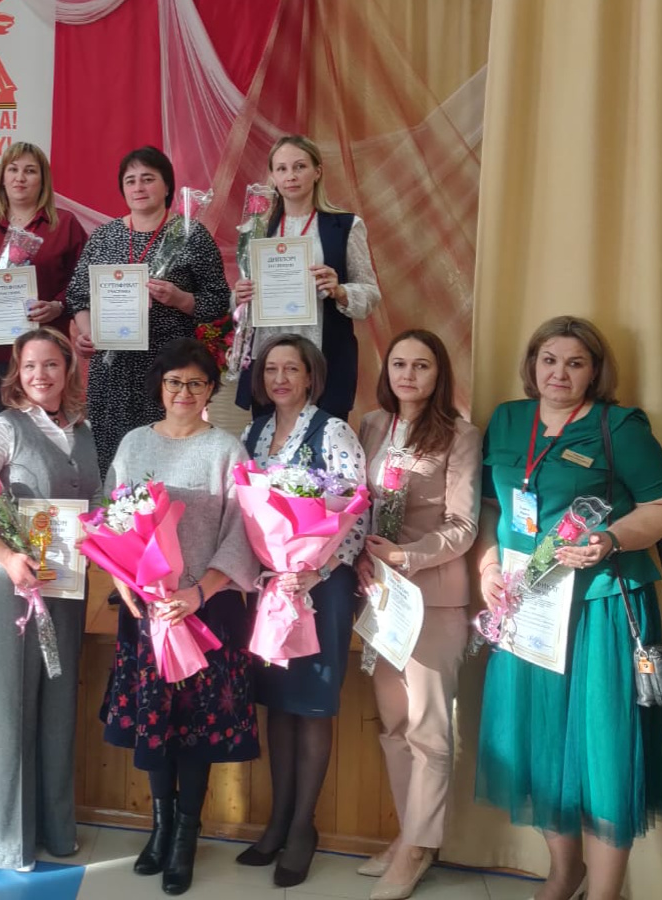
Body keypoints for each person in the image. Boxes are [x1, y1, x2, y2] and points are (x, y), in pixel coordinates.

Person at [473, 316, 662, 900]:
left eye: (575, 363)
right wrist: (488, 568)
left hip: (602, 607)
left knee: (602, 751)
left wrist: (611, 539)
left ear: (595, 371)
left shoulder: (619, 428)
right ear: (532, 365)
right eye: (548, 360)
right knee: (540, 740)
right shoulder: (507, 420)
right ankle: (565, 872)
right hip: (527, 607)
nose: (559, 374)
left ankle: (605, 893)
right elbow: (490, 507)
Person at [99, 338, 260, 896]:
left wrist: (199, 591)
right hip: (147, 611)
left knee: (195, 728)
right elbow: (110, 519)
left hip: (206, 611)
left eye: (196, 382)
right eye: (174, 382)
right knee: (156, 722)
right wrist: (122, 580)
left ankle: (186, 834)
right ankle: (160, 827)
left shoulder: (227, 451)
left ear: (211, 389)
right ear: (160, 387)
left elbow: (245, 531)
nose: (184, 392)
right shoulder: (133, 443)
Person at [0, 327, 99, 871]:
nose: (40, 375)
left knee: (57, 709)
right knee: (10, 707)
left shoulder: (82, 430)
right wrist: (5, 556)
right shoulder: (2, 429)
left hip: (66, 588)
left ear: (68, 370)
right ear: (16, 371)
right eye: (30, 365)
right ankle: (8, 841)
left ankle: (55, 828)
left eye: (51, 364)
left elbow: (96, 505)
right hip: (13, 590)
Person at [233, 334, 367, 888]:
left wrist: (317, 569)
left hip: (320, 587)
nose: (280, 379)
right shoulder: (253, 433)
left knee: (310, 705)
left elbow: (356, 508)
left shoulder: (333, 430)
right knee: (278, 705)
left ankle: (302, 828)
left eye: (292, 369)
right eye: (272, 370)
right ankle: (277, 821)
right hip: (272, 588)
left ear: (311, 376)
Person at [351, 330, 480, 899]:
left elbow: (464, 524)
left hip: (434, 596)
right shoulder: (371, 425)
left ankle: (420, 849)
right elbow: (355, 505)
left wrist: (408, 556)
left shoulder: (460, 435)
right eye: (399, 364)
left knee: (429, 727)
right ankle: (410, 835)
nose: (408, 374)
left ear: (439, 373)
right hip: (381, 598)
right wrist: (360, 554)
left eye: (421, 365)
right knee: (395, 724)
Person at [65, 146, 229, 473]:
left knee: (166, 462)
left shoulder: (190, 235)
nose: (138, 187)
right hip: (113, 372)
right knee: (114, 464)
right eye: (131, 181)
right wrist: (88, 333)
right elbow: (78, 297)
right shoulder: (104, 237)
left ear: (167, 186)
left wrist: (181, 299)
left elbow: (218, 300)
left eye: (148, 178)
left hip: (170, 371)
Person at [233, 134, 381, 420]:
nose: (291, 176)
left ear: (317, 171)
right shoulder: (255, 230)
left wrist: (340, 291)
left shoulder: (346, 226)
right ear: (273, 177)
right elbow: (241, 303)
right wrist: (238, 296)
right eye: (282, 168)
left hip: (325, 360)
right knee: (269, 442)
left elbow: (371, 294)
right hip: (268, 360)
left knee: (322, 444)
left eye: (299, 166)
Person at [0, 143, 87, 400]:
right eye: (13, 169)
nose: (20, 177)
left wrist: (58, 305)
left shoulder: (65, 225)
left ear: (43, 180)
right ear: (3, 179)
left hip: (46, 354)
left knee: (44, 423)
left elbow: (83, 282)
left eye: (30, 171)